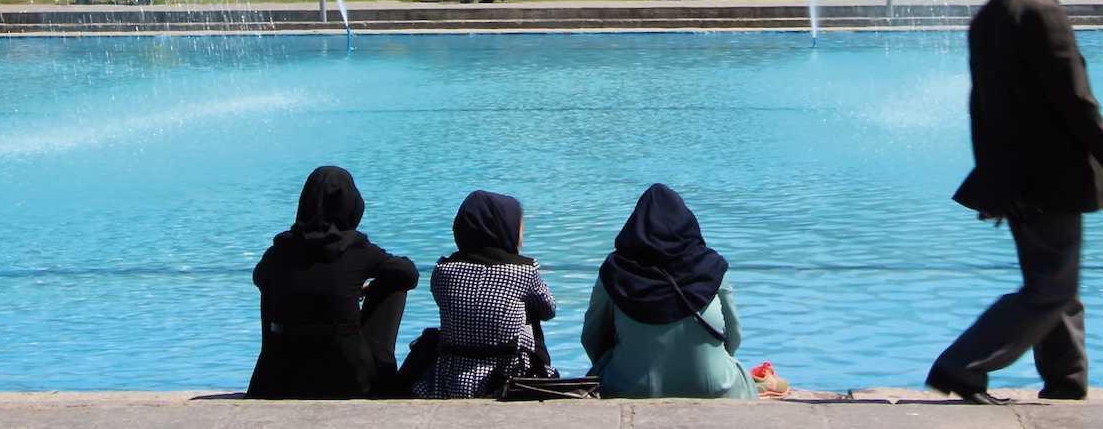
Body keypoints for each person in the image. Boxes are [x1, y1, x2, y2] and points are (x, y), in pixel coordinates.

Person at [926, 0, 1103, 406]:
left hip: (1015, 176)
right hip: (1048, 178)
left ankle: (1066, 385)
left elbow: (981, 109)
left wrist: (992, 175)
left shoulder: (991, 13)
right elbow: (1078, 105)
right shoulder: (1041, 9)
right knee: (1050, 290)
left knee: (1058, 288)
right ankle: (960, 366)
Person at [582, 183, 782, 399]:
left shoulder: (614, 271)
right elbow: (733, 337)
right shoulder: (712, 267)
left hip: (629, 388)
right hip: (715, 386)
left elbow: (592, 338)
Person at [246, 166, 417, 399]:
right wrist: (369, 287)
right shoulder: (356, 248)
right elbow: (409, 274)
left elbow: (259, 278)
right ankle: (383, 373)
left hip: (281, 377)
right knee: (394, 285)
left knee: (271, 282)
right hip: (347, 377)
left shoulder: (280, 250)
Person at [407, 190, 557, 398]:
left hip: (450, 378)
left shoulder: (443, 270)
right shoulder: (524, 270)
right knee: (530, 314)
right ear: (505, 228)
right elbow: (548, 310)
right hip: (509, 376)